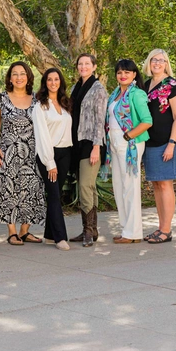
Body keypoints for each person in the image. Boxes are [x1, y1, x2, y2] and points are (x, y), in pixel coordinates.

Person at [0, 61, 46, 246]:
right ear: (9, 78)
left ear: (28, 76)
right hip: (7, 152)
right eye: (14, 74)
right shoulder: (1, 98)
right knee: (8, 190)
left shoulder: (37, 99)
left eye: (22, 73)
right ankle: (12, 232)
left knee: (32, 190)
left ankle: (25, 231)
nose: (18, 77)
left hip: (32, 152)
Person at [104, 59, 152, 243]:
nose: (122, 75)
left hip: (129, 144)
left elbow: (147, 121)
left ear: (134, 74)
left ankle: (134, 233)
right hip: (114, 144)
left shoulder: (137, 94)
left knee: (130, 188)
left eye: (126, 72)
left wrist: (128, 136)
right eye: (119, 72)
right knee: (118, 187)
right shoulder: (115, 94)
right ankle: (126, 230)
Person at [141, 49, 176, 243]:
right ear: (149, 63)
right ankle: (160, 227)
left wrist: (172, 144)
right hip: (150, 142)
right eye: (153, 60)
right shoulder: (146, 85)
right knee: (157, 184)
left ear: (166, 64)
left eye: (161, 60)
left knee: (166, 184)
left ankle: (166, 230)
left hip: (167, 143)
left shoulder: (173, 85)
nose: (157, 63)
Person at [70, 53, 108, 247]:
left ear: (94, 67)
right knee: (88, 187)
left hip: (91, 143)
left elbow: (101, 119)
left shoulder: (98, 89)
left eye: (87, 63)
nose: (83, 66)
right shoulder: (75, 87)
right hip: (76, 143)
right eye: (80, 63)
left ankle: (88, 230)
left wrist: (96, 147)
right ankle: (91, 230)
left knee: (85, 186)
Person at [32, 68, 73, 251]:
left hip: (65, 153)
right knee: (54, 195)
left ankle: (49, 235)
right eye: (49, 79)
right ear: (45, 82)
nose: (53, 82)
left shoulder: (65, 103)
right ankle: (60, 237)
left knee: (56, 194)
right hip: (49, 154)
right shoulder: (40, 107)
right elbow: (42, 136)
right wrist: (50, 162)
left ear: (60, 82)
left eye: (56, 79)